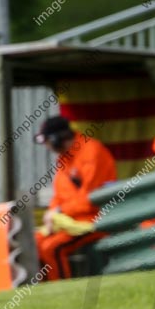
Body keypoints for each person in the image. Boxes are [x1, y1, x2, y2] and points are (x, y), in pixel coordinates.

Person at [34, 116, 117, 281]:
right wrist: (51, 214)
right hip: (71, 221)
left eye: (48, 142)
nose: (48, 148)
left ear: (57, 139)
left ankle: (62, 291)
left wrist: (59, 211)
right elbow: (60, 195)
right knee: (34, 243)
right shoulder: (65, 158)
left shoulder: (91, 152)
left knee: (52, 248)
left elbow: (91, 200)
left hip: (95, 220)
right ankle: (43, 292)